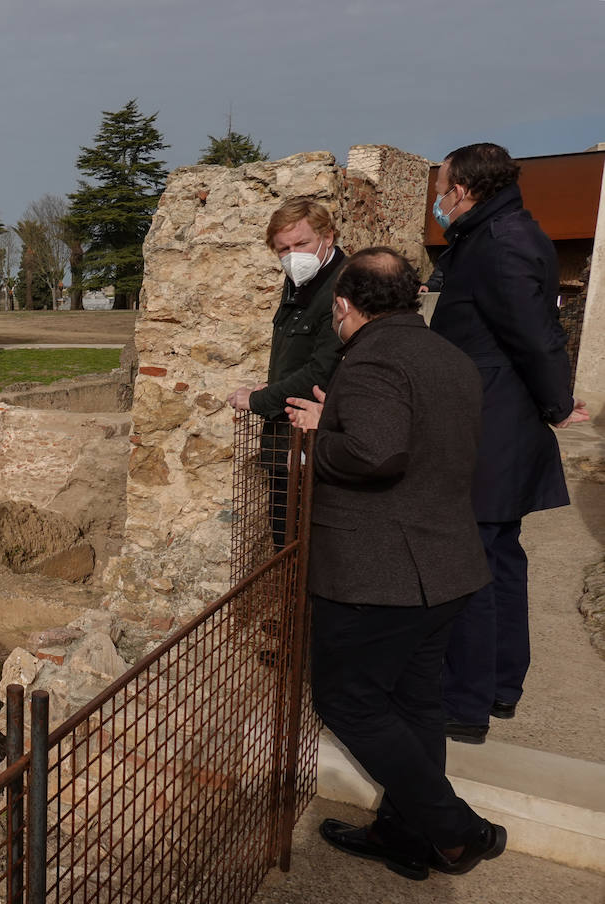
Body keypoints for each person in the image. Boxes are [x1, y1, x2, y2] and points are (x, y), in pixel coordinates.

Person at [286, 248, 505, 879]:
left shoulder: (372, 359)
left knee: (348, 702)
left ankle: (457, 832)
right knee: (415, 705)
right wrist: (341, 416)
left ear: (344, 304)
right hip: (445, 565)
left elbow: (375, 453)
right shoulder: (449, 356)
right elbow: (420, 438)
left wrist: (320, 437)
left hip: (378, 574)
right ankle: (406, 836)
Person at [427, 143, 590, 744]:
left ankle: (464, 703)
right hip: (493, 416)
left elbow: (535, 335)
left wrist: (556, 403)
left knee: (470, 565)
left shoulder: (502, 241)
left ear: (464, 190)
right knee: (496, 559)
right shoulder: (497, 232)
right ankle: (497, 686)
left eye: (442, 191)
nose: (438, 203)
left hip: (492, 423)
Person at [227, 199, 345, 548]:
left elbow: (322, 370)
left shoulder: (342, 287)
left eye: (301, 244)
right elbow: (297, 351)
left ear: (327, 237)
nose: (293, 256)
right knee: (284, 538)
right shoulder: (299, 281)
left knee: (307, 546)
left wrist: (259, 399)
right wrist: (275, 383)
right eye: (283, 249)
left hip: (316, 439)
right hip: (285, 437)